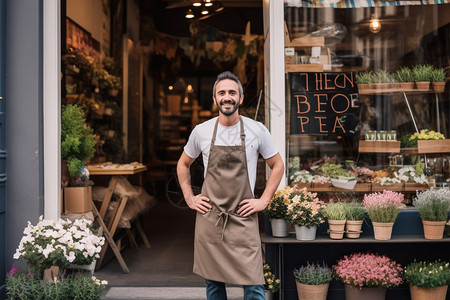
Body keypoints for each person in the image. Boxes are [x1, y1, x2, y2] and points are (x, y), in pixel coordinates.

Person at [177, 71, 284, 300]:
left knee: (254, 283)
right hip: (211, 217)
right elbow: (183, 164)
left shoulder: (257, 130)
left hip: (243, 218)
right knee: (214, 285)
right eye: (222, 93)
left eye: (232, 92)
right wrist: (189, 197)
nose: (227, 97)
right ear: (215, 99)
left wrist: (264, 200)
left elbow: (278, 165)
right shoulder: (202, 131)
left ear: (241, 98)